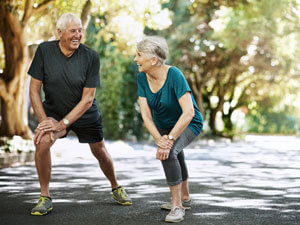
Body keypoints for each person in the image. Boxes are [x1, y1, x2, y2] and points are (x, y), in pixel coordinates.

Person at [28, 13, 132, 216]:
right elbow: (34, 90)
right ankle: (45, 196)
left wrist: (64, 123)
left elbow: (87, 99)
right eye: (72, 31)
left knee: (100, 150)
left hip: (84, 113)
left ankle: (115, 186)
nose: (78, 35)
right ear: (59, 33)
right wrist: (44, 122)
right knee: (42, 141)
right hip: (54, 111)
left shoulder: (90, 57)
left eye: (80, 30)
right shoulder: (44, 51)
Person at [134, 36, 203, 223]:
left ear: (153, 59)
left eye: (139, 55)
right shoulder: (142, 77)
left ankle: (177, 206)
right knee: (174, 152)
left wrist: (169, 140)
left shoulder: (174, 75)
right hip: (164, 127)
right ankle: (185, 198)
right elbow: (146, 116)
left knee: (170, 152)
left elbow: (188, 112)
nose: (135, 59)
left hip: (189, 123)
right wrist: (159, 139)